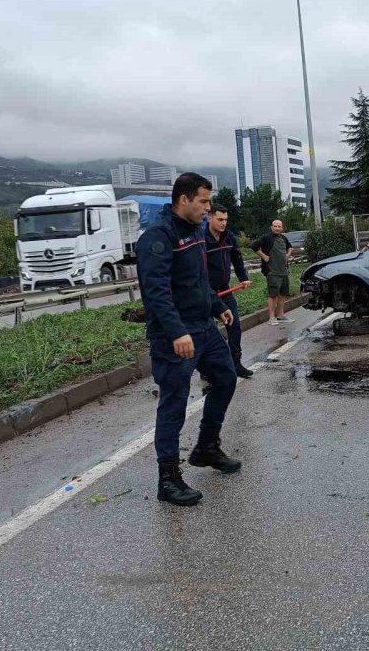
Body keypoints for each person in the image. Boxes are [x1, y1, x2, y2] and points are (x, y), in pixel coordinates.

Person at [137, 173, 241, 507]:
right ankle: (168, 479)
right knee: (174, 402)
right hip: (175, 335)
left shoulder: (196, 232)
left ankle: (206, 447)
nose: (208, 208)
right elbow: (156, 292)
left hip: (203, 327)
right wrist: (176, 331)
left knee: (225, 378)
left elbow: (198, 280)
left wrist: (218, 306)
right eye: (203, 202)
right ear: (184, 199)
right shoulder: (158, 237)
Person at [204, 204, 254, 378]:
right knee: (208, 331)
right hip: (207, 292)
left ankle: (236, 363)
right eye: (220, 219)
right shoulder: (201, 239)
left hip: (225, 290)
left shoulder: (229, 237)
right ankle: (207, 368)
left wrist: (243, 278)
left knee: (235, 326)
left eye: (226, 220)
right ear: (210, 218)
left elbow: (237, 259)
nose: (223, 223)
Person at [254, 220, 293, 326]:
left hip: (283, 272)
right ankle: (271, 318)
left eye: (279, 226)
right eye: (275, 226)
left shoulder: (283, 238)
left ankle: (281, 315)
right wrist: (264, 256)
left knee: (283, 294)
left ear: (282, 228)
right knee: (273, 295)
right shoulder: (266, 238)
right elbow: (254, 246)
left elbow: (290, 247)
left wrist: (288, 255)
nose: (277, 228)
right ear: (271, 227)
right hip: (272, 272)